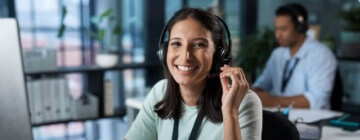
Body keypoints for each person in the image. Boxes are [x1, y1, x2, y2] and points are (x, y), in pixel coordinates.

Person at [125, 8, 262, 140]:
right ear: (164, 52)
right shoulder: (161, 92)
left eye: (198, 45)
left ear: (218, 56)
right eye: (176, 43)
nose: (185, 57)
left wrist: (230, 112)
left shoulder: (244, 102)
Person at [252, 3, 337, 109]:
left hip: (310, 122)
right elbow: (262, 84)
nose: (277, 35)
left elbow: (318, 99)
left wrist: (273, 101)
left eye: (283, 29)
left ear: (300, 28)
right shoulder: (277, 54)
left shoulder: (321, 54)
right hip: (281, 117)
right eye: (276, 29)